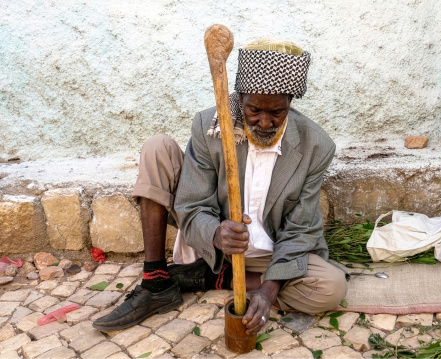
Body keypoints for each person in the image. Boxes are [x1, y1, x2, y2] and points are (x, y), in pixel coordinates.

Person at [93, 38, 348, 334]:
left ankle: (210, 278)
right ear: (239, 99)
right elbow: (191, 203)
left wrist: (268, 292)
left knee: (332, 287)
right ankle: (156, 282)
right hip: (213, 241)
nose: (265, 123)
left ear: (290, 103)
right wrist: (215, 233)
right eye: (254, 110)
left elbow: (301, 231)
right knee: (156, 147)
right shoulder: (210, 125)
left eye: (276, 112)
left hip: (269, 254)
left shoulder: (316, 145)